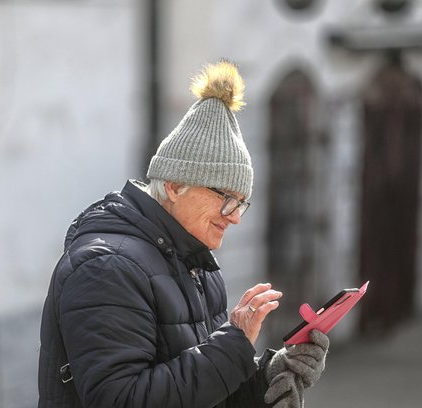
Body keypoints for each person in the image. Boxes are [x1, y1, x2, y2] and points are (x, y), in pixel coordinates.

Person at [38, 60, 329, 408]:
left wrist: (270, 377)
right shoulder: (107, 266)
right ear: (175, 186)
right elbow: (121, 400)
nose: (234, 217)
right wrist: (233, 346)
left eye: (241, 203)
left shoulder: (195, 263)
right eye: (225, 198)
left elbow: (205, 391)